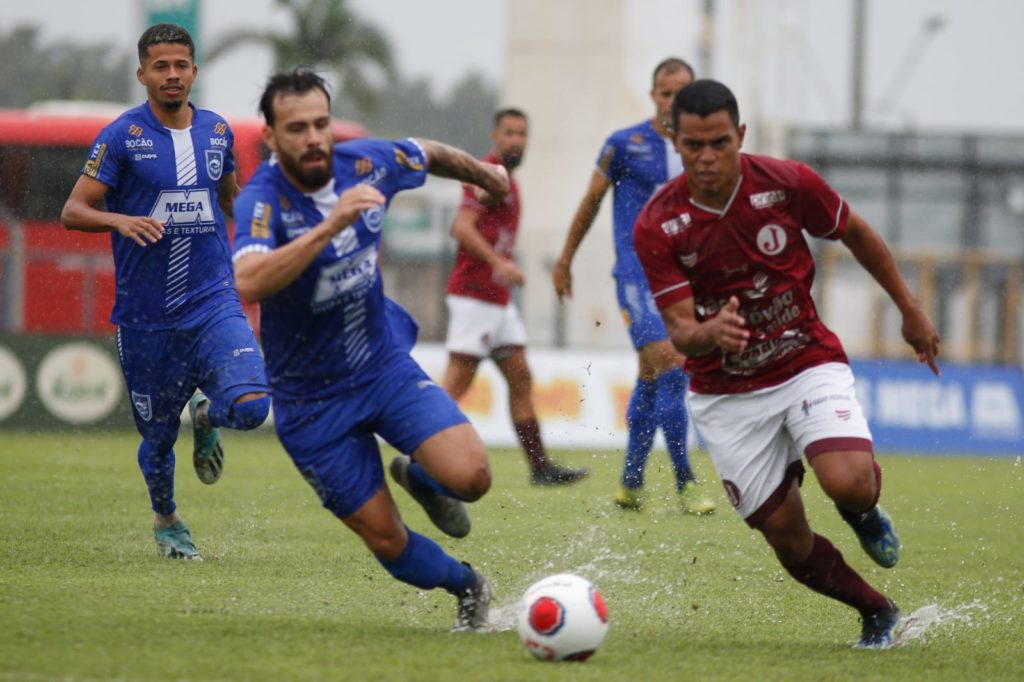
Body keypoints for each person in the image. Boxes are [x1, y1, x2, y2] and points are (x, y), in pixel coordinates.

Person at [633, 79, 942, 649]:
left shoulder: (788, 183)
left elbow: (857, 233)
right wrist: (709, 333)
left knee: (848, 484)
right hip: (725, 395)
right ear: (674, 141)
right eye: (694, 145)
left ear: (740, 136)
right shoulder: (658, 223)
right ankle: (877, 612)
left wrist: (909, 309)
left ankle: (863, 512)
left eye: (720, 143)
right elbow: (679, 329)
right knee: (786, 536)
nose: (707, 157)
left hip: (803, 360)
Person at [231, 69, 509, 631]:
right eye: (297, 128)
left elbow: (424, 153)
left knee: (473, 477)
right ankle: (469, 588)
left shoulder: (365, 162)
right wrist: (329, 225)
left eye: (320, 123)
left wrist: (485, 176)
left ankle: (422, 478)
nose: (313, 138)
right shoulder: (263, 200)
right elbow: (250, 280)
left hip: (380, 368)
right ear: (271, 137)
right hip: (311, 406)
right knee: (386, 537)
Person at [60, 23, 270, 561]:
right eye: (161, 66)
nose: (172, 75)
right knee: (156, 442)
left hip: (213, 300)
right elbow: (73, 211)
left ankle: (207, 418)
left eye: (181, 65)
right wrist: (120, 220)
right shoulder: (119, 136)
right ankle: (168, 520)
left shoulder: (219, 132)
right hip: (145, 316)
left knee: (250, 407)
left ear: (194, 71)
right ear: (143, 74)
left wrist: (262, 245)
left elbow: (232, 201)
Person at [552, 57, 714, 514]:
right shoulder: (624, 144)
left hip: (685, 278)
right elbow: (590, 201)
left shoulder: (701, 149)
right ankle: (686, 483)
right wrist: (565, 259)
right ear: (653, 97)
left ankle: (630, 482)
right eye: (666, 93)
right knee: (671, 361)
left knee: (650, 374)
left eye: (682, 93)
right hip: (636, 275)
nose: (673, 101)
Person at [442, 108, 588, 487]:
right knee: (455, 385)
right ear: (495, 135)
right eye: (509, 133)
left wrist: (501, 271)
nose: (516, 141)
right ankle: (418, 455)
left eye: (522, 133)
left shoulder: (510, 182)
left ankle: (540, 468)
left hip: (497, 298)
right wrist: (498, 263)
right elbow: (461, 227)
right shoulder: (487, 174)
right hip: (475, 295)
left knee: (521, 377)